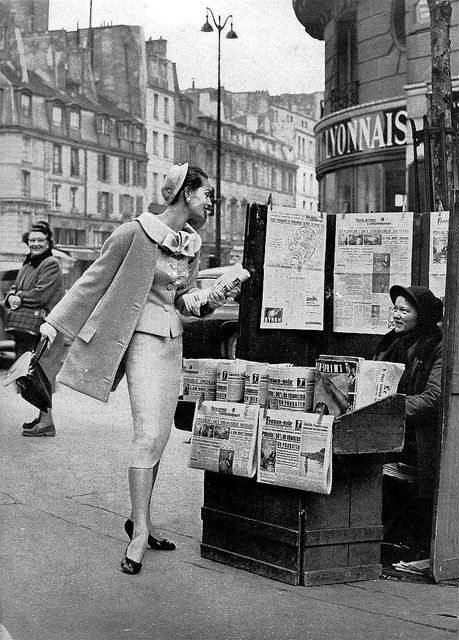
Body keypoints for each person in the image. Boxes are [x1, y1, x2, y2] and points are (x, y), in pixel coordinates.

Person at [39, 164, 231, 575]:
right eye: (206, 193)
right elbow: (92, 281)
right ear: (183, 193)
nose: (211, 201)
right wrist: (53, 324)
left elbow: (183, 300)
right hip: (139, 339)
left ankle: (140, 518)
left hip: (172, 340)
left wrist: (212, 297)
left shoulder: (191, 244)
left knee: (160, 435)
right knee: (147, 434)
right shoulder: (134, 232)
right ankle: (140, 532)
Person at [374, 285, 443, 555]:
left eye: (404, 310)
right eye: (395, 308)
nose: (396, 315)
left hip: (419, 438)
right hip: (390, 427)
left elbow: (433, 398)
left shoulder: (437, 346)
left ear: (422, 315)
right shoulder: (390, 343)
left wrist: (391, 408)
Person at [4, 220, 65, 437]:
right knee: (32, 373)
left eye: (40, 240)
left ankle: (47, 423)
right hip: (31, 327)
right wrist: (11, 296)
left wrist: (18, 298)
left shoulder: (50, 263)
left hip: (46, 326)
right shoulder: (29, 262)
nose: (36, 243)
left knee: (43, 373)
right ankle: (42, 418)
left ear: (49, 241)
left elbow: (41, 294)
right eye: (32, 240)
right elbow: (16, 286)